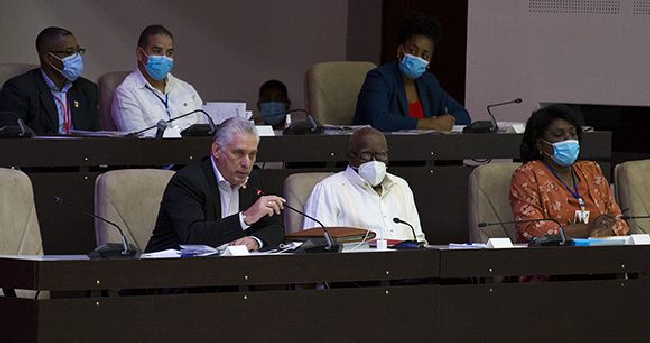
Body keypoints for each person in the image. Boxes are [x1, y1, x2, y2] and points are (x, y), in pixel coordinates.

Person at [145, 117, 284, 253]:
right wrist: (245, 218)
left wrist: (255, 240)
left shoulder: (254, 179)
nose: (246, 163)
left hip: (228, 268)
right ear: (217, 150)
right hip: (171, 269)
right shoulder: (188, 181)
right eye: (238, 153)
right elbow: (192, 236)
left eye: (252, 155)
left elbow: (275, 227)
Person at [510, 105, 629, 243]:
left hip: (600, 252)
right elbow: (532, 229)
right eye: (558, 135)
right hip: (550, 258)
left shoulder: (592, 171)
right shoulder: (528, 175)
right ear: (539, 144)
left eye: (573, 134)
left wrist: (608, 230)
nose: (568, 139)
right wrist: (589, 229)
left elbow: (620, 222)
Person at [302, 127, 427, 243]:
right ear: (351, 156)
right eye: (366, 155)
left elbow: (418, 238)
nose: (374, 161)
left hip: (406, 261)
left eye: (380, 155)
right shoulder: (329, 189)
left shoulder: (400, 186)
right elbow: (317, 243)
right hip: (356, 264)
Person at [354, 14, 470, 132]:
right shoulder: (379, 78)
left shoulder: (428, 81)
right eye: (413, 51)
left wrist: (447, 120)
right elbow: (378, 120)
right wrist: (429, 123)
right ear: (400, 51)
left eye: (425, 56)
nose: (418, 58)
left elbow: (463, 115)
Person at [0, 26, 98, 135]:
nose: (76, 57)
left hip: (82, 151)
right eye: (69, 52)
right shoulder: (18, 89)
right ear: (48, 58)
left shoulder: (88, 89)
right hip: (39, 151)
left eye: (78, 51)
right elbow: (14, 136)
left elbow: (96, 135)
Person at [111, 25, 204, 136]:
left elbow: (203, 132)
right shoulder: (127, 93)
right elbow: (138, 140)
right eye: (157, 51)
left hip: (194, 152)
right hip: (154, 152)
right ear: (140, 54)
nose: (164, 58)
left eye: (169, 53)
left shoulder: (186, 89)